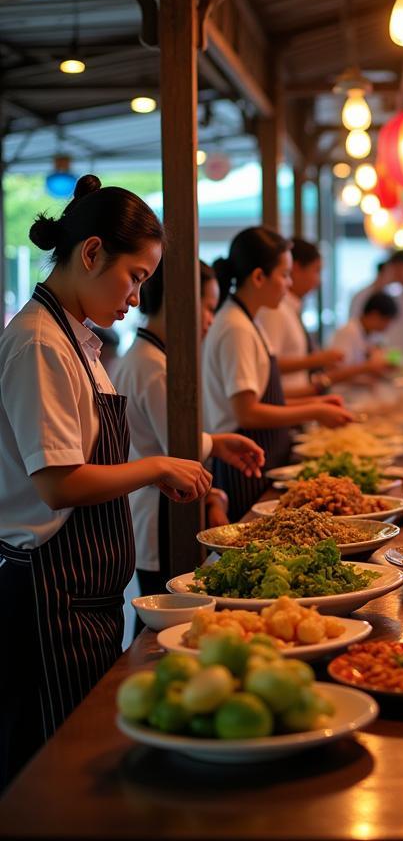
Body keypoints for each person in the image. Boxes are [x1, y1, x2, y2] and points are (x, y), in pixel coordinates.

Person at [0, 176, 212, 787]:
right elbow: (59, 485)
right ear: (91, 253)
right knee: (54, 769)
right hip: (45, 594)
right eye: (136, 276)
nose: (136, 296)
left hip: (86, 595)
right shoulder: (38, 343)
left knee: (84, 749)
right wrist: (155, 467)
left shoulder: (79, 340)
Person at [115, 260, 265, 632]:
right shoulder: (152, 365)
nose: (210, 320)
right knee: (162, 623)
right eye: (208, 307)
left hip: (157, 510)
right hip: (160, 516)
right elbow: (176, 446)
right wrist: (213, 454)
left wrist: (215, 445)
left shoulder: (150, 357)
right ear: (178, 301)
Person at [204, 227, 351, 520]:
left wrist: (317, 406)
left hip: (260, 456)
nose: (288, 284)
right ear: (259, 277)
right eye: (284, 275)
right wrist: (314, 412)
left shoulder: (249, 320)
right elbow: (247, 412)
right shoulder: (235, 327)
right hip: (242, 464)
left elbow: (266, 399)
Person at [256, 238, 343, 397]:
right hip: (284, 410)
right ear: (296, 268)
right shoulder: (275, 309)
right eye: (316, 271)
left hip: (293, 406)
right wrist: (319, 360)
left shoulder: (289, 308)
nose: (319, 281)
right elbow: (269, 365)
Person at [329, 291, 399, 381]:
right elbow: (336, 371)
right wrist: (369, 367)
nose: (388, 326)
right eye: (386, 321)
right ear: (374, 315)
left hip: (358, 389)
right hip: (344, 391)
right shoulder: (349, 331)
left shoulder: (371, 334)